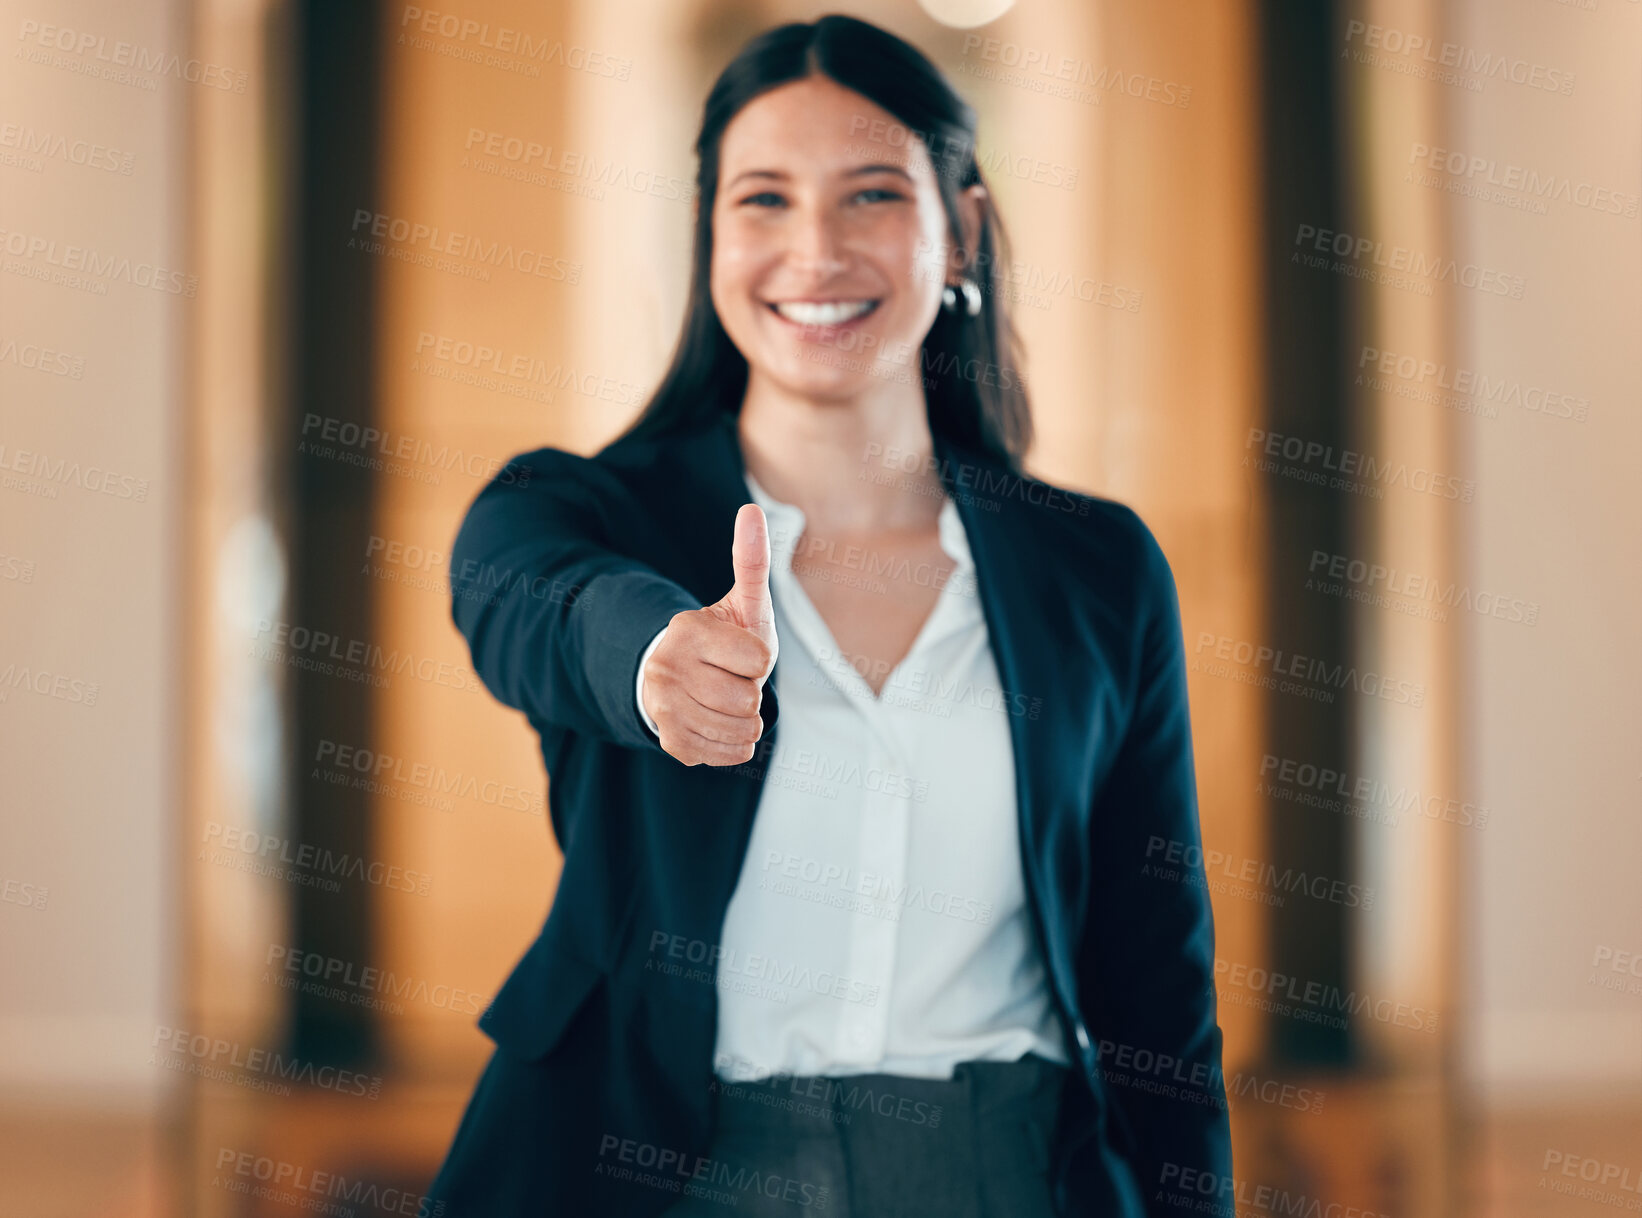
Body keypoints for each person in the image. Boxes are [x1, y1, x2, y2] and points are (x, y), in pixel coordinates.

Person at [426, 15, 1229, 1217]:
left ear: (955, 226)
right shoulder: (584, 513)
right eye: (762, 199)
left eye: (869, 195)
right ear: (707, 234)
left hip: (1008, 1175)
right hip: (667, 1174)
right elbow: (515, 593)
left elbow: (1157, 986)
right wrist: (650, 654)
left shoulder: (1096, 571)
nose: (815, 249)